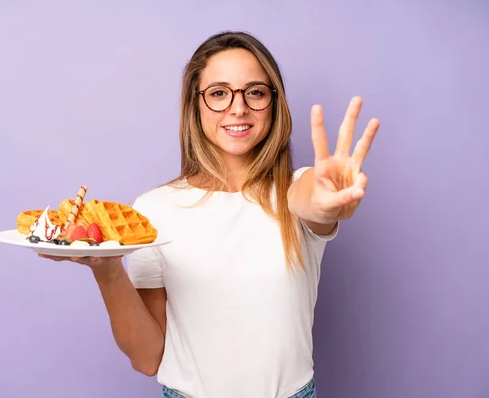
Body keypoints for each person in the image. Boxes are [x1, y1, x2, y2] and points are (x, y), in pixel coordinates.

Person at [40, 30, 379, 398]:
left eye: (255, 92)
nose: (238, 107)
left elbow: (312, 200)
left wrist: (329, 198)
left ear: (274, 103)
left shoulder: (295, 189)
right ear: (195, 104)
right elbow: (147, 359)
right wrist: (107, 271)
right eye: (219, 93)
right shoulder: (155, 209)